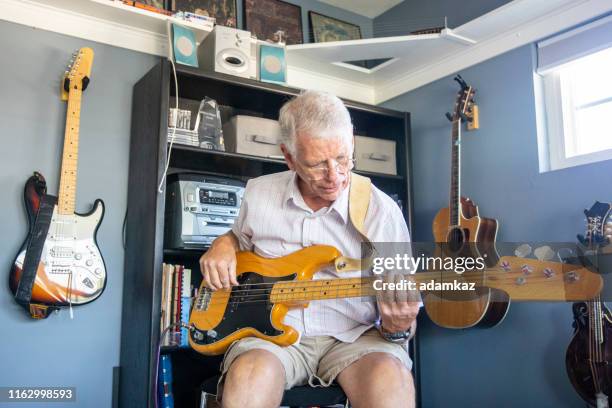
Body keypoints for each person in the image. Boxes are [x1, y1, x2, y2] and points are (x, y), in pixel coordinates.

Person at [199, 90, 419, 408]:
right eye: (317, 164)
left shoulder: (380, 211)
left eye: (343, 158)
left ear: (352, 140)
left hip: (355, 338)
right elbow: (240, 242)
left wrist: (398, 327)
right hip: (270, 338)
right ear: (289, 157)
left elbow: (402, 320)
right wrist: (224, 243)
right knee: (247, 377)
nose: (334, 176)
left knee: (392, 380)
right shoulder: (258, 194)